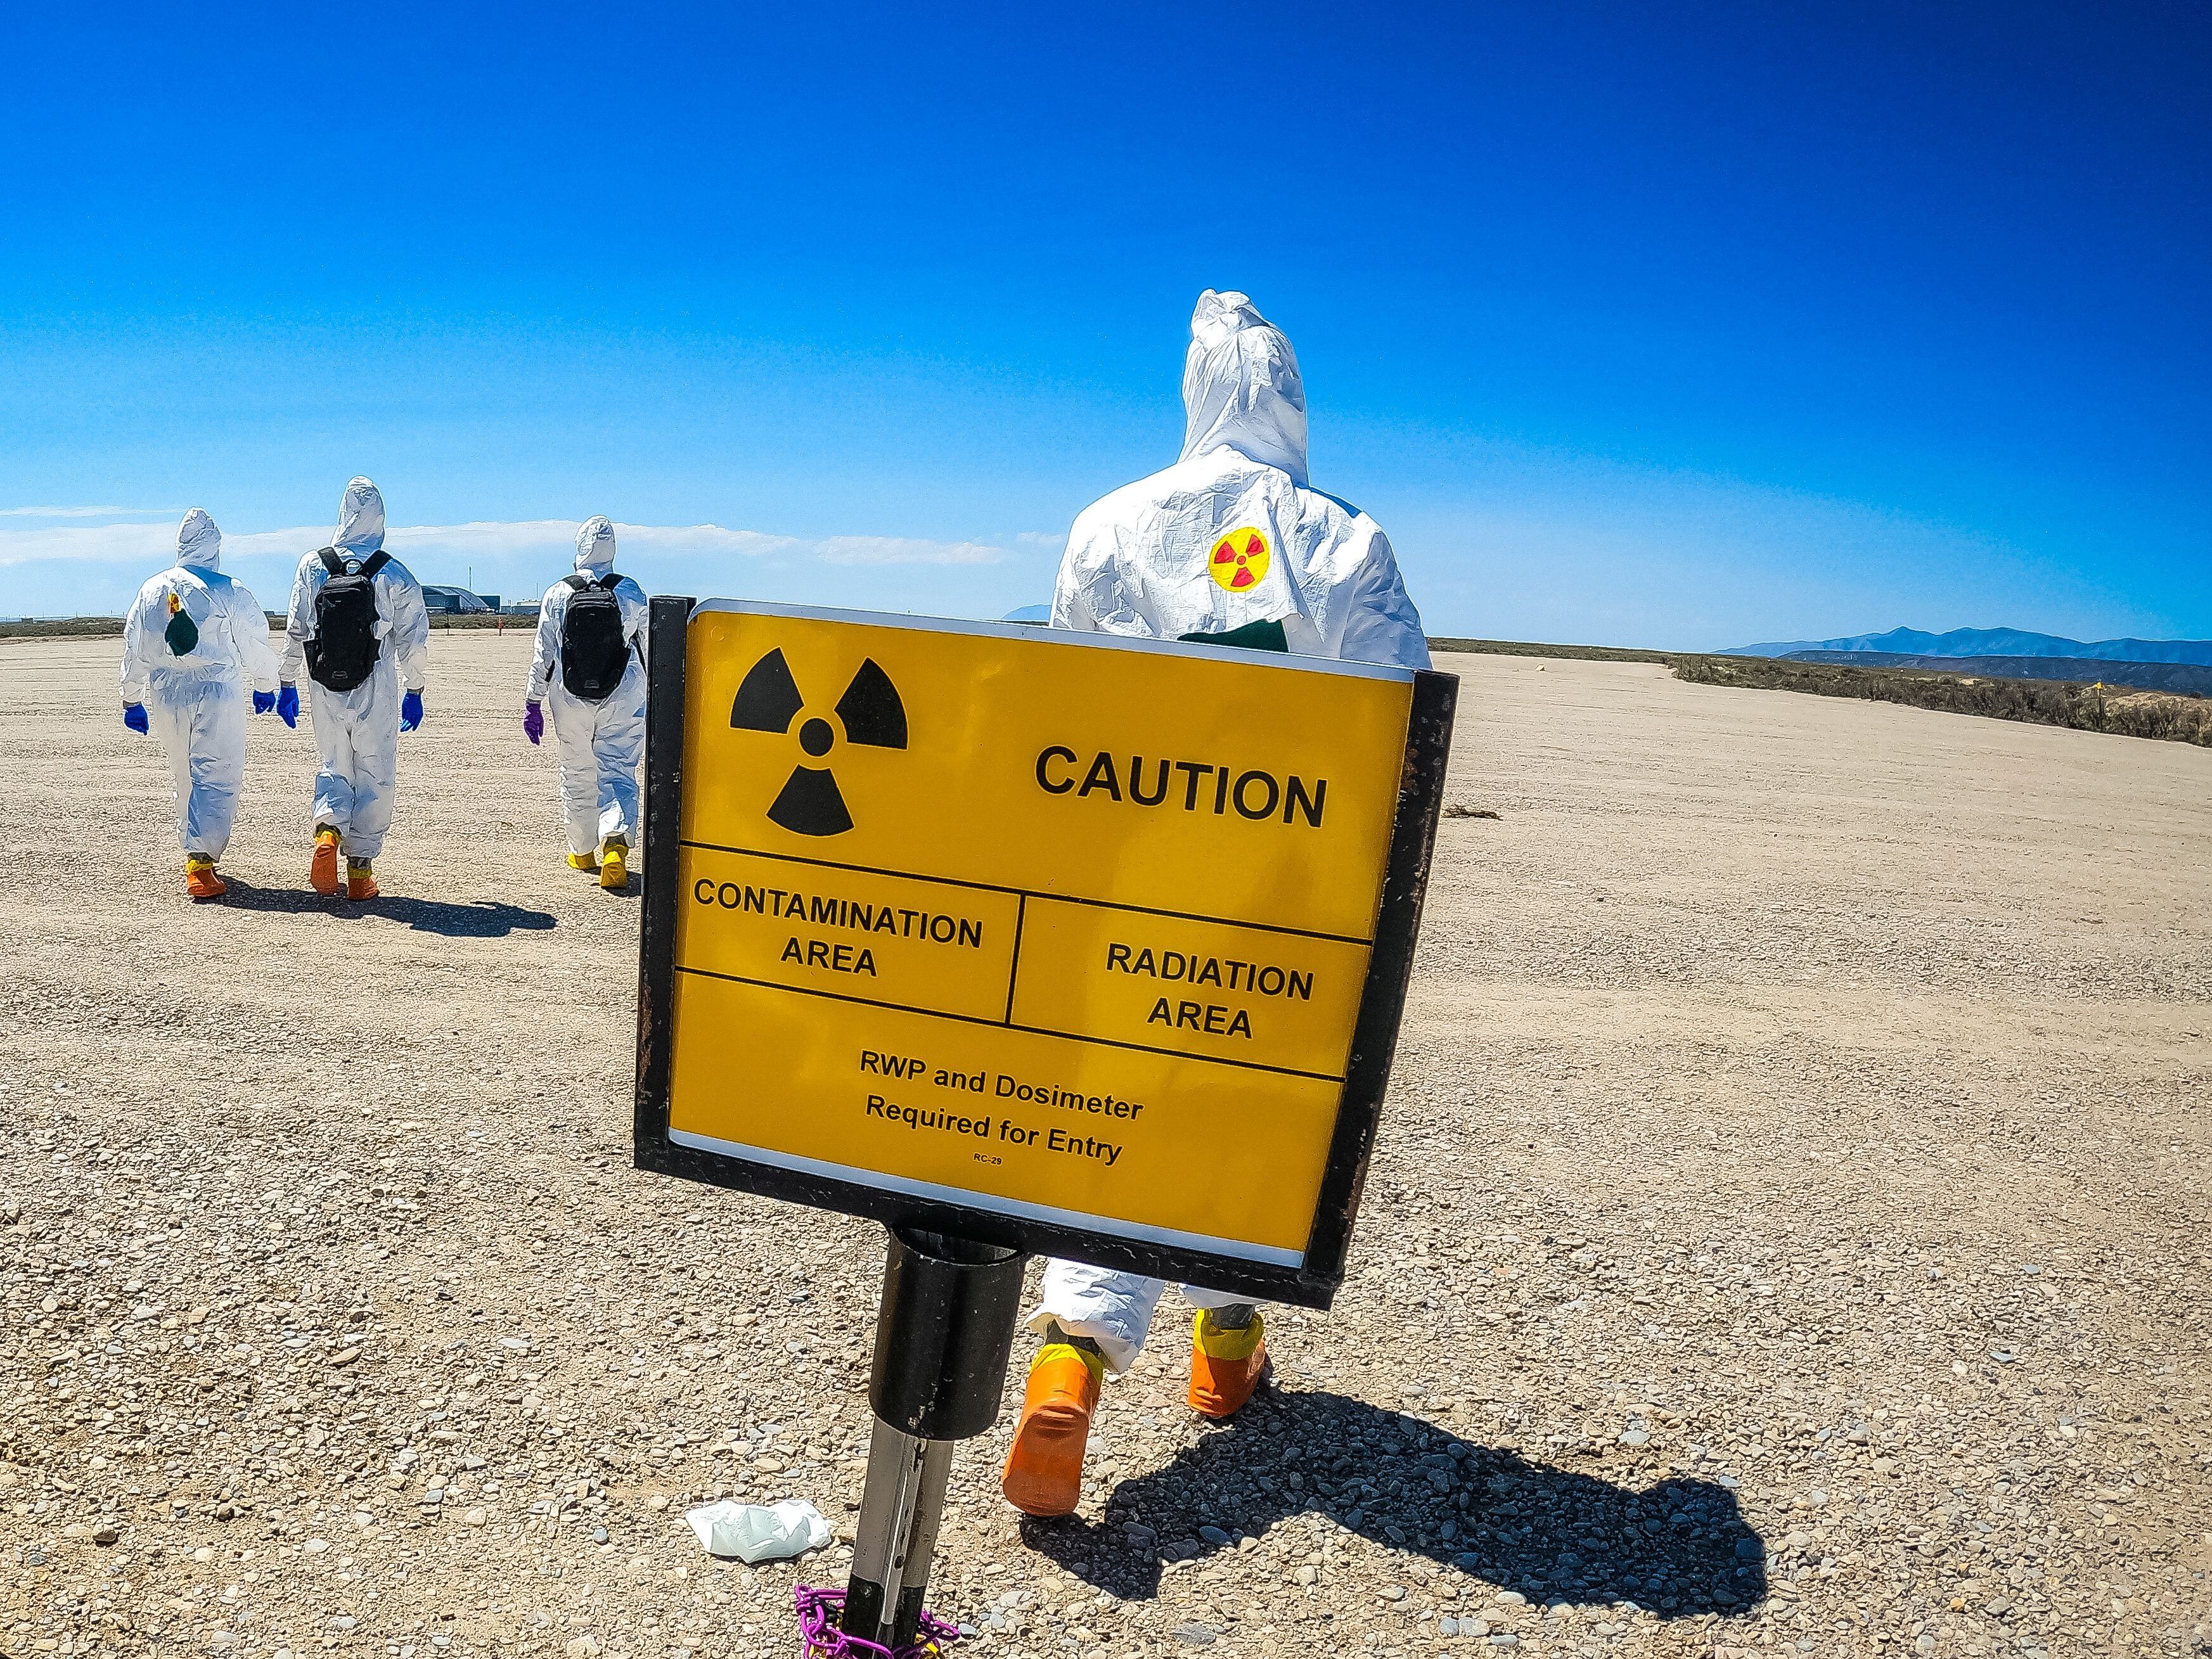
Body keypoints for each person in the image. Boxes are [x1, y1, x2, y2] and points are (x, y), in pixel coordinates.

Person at [1001, 290, 1431, 1518]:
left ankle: (1068, 1365)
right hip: (1286, 885)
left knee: (1118, 1107)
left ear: (1193, 393)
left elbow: (1066, 702)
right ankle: (1224, 1355)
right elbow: (1402, 718)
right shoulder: (1343, 538)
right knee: (1246, 1109)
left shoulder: (1105, 526)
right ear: (1291, 397)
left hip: (1140, 875)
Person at [276, 478, 430, 901]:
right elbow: (414, 639)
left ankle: (328, 831)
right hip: (374, 682)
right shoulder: (393, 572)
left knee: (334, 764)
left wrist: (286, 680)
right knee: (375, 773)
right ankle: (360, 873)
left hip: (323, 681)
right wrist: (415, 688)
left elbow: (296, 628)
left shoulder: (313, 565)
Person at [118, 509, 283, 899]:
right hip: (215, 691)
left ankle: (194, 850)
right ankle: (201, 862)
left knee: (184, 773)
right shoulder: (228, 589)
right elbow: (253, 639)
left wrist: (131, 697)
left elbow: (135, 645)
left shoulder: (151, 589)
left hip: (166, 693)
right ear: (214, 545)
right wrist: (266, 683)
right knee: (217, 772)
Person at [523, 516, 649, 889]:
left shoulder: (558, 593)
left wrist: (533, 701)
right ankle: (615, 846)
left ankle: (581, 851)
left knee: (577, 770)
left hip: (570, 695)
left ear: (579, 547)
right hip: (622, 691)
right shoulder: (631, 592)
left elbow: (544, 652)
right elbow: (649, 647)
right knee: (618, 768)